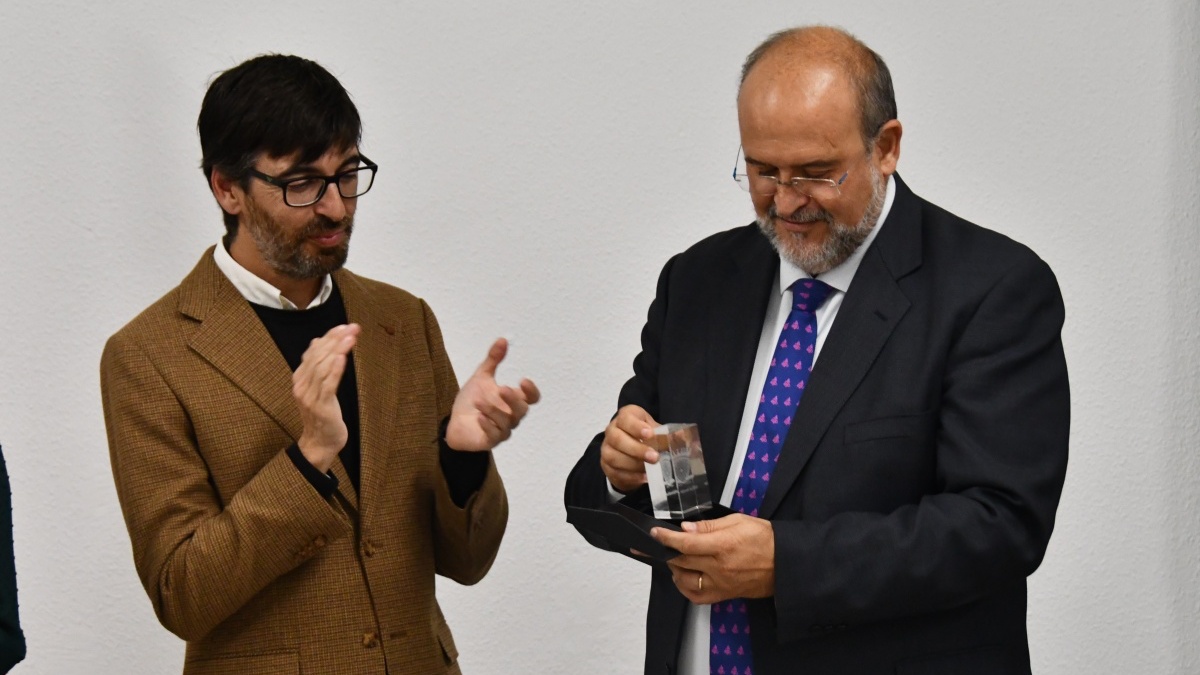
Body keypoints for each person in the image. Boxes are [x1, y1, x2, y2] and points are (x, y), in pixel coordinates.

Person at [565, 25, 1069, 675]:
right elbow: (639, 488)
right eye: (762, 171)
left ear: (886, 147)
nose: (786, 201)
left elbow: (1000, 524)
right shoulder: (697, 280)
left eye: (814, 173)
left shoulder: (992, 287)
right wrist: (620, 471)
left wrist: (786, 563)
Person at [101, 54, 539, 675]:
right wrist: (307, 460)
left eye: (348, 173)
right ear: (227, 188)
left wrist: (462, 458)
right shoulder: (149, 354)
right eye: (301, 183)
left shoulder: (403, 320)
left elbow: (467, 563)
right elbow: (182, 595)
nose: (335, 206)